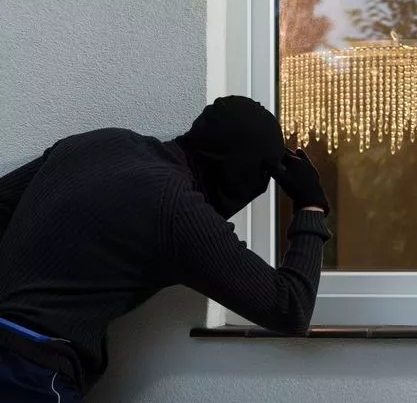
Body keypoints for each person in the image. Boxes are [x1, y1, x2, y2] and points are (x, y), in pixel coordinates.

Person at [0, 95, 330, 401]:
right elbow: (290, 308)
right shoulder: (177, 208)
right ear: (245, 175)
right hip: (28, 369)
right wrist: (310, 205)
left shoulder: (102, 141)